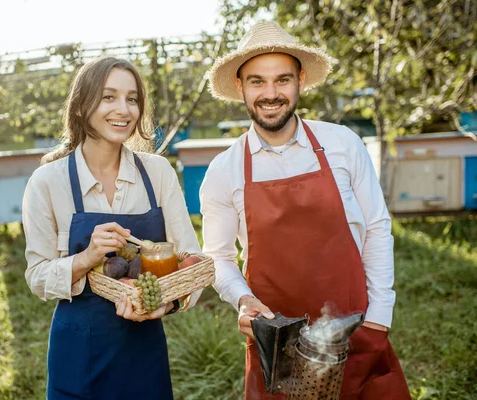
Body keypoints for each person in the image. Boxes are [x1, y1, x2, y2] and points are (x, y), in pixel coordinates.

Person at [200, 21, 411, 399]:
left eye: (282, 79)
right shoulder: (223, 169)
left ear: (300, 80)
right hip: (275, 347)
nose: (270, 94)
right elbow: (217, 258)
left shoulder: (343, 144)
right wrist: (243, 299)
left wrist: (380, 318)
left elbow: (378, 228)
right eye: (257, 81)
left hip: (355, 332)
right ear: (240, 87)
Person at [22, 56, 201, 400]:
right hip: (78, 349)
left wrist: (169, 304)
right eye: (109, 97)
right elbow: (38, 277)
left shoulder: (157, 172)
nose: (123, 109)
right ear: (81, 105)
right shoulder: (48, 182)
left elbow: (189, 260)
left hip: (144, 346)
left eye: (132, 99)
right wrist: (88, 256)